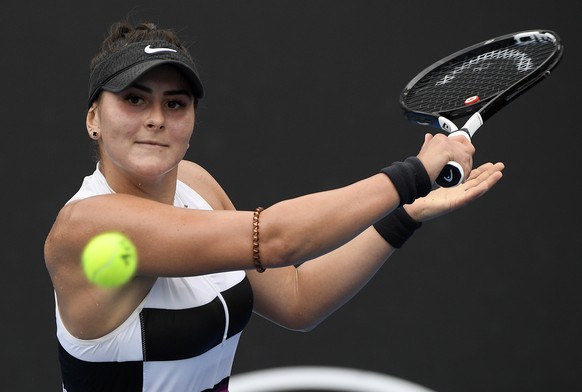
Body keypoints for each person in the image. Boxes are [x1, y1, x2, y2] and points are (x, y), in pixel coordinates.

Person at [44, 20, 504, 392]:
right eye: (133, 99)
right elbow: (278, 239)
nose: (156, 118)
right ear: (93, 119)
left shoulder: (197, 185)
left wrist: (406, 215)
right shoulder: (89, 226)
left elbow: (298, 299)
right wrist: (414, 173)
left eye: (176, 103)